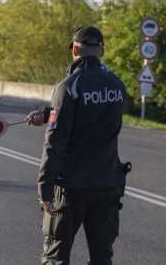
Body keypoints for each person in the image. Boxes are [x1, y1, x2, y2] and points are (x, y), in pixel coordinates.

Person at [26, 26, 127, 265]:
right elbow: (93, 116)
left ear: (74, 49)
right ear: (101, 51)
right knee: (103, 258)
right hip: (108, 184)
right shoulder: (117, 86)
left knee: (55, 256)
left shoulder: (68, 86)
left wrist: (44, 188)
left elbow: (55, 143)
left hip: (71, 188)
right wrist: (49, 114)